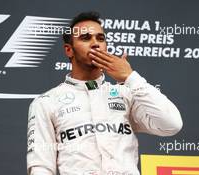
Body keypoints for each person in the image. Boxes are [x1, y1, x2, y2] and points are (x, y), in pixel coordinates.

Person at [27, 11, 183, 175]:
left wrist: (131, 77)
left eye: (100, 38)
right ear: (69, 50)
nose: (95, 43)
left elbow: (172, 125)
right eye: (86, 38)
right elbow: (41, 167)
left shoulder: (126, 93)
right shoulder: (46, 102)